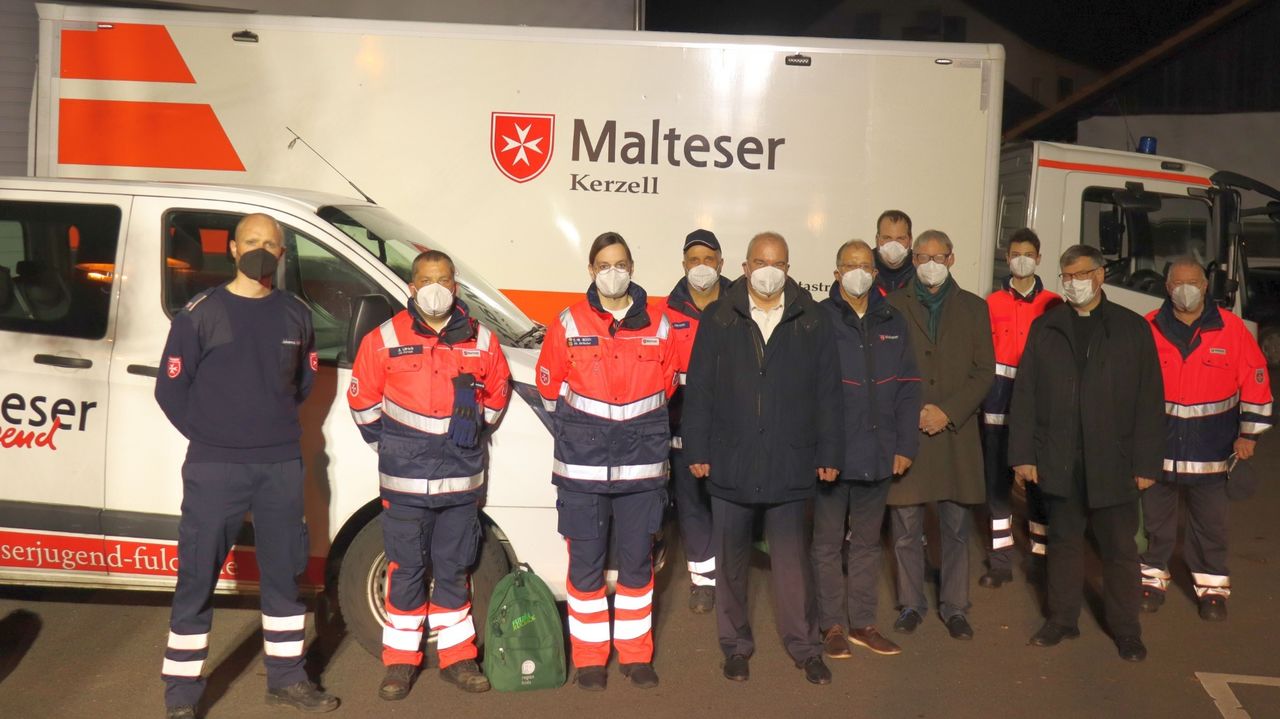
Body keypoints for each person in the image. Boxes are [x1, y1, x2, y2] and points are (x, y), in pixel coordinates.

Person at [154, 214, 338, 718]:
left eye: (271, 245)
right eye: (251, 242)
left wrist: (264, 431)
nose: (261, 250)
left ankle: (286, 678)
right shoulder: (200, 313)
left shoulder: (296, 315)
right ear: (233, 248)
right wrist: (215, 438)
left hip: (279, 464)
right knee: (197, 576)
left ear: (283, 255)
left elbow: (301, 385)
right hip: (215, 467)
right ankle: (182, 694)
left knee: (284, 574)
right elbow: (169, 389)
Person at [348, 250, 512, 699]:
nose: (435, 287)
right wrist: (396, 446)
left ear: (455, 287)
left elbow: (497, 395)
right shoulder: (382, 339)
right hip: (404, 483)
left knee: (455, 568)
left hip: (461, 482)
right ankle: (400, 663)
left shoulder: (481, 340)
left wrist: (475, 431)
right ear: (412, 286)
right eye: (426, 279)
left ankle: (458, 659)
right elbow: (363, 403)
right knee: (406, 568)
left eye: (443, 279)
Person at [683, 231, 842, 686]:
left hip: (789, 459)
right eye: (760, 262)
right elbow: (701, 392)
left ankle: (806, 647)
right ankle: (735, 647)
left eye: (778, 263)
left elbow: (828, 394)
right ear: (747, 266)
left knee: (792, 563)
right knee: (730, 563)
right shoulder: (719, 318)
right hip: (731, 457)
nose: (769, 271)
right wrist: (697, 447)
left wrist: (829, 451)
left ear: (788, 270)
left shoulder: (812, 320)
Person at [535, 232, 678, 691]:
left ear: (632, 267)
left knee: (637, 565)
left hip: (642, 470)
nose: (612, 272)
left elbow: (669, 384)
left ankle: (636, 656)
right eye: (603, 264)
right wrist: (586, 430)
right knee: (586, 566)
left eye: (620, 263)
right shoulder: (568, 322)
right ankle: (591, 659)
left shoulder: (659, 324)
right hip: (582, 470)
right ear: (592, 271)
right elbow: (549, 385)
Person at [1009, 244, 1164, 662]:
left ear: (1099, 276)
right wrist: (1023, 455)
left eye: (1079, 275)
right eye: (1066, 277)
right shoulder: (1049, 327)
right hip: (1059, 458)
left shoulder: (1131, 328)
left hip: (1113, 460)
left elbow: (1150, 399)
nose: (1072, 284)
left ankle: (1126, 630)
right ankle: (1061, 620)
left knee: (1118, 549)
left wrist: (1147, 462)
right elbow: (1025, 393)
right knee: (1062, 543)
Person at [1139, 257, 1272, 620]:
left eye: (1194, 282)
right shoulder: (1148, 327)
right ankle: (1151, 579)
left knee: (1210, 525)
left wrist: (1249, 433)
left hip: (1213, 452)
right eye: (1178, 283)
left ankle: (1212, 587)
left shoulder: (1231, 329)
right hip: (1159, 451)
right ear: (1168, 289)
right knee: (1156, 524)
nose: (1186, 289)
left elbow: (1257, 380)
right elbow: (1130, 386)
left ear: (1205, 285)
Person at [812, 240, 921, 660]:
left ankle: (862, 623)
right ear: (837, 272)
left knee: (867, 545)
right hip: (832, 458)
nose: (857, 272)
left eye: (864, 265)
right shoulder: (819, 320)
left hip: (879, 452)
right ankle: (831, 626)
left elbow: (910, 387)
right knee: (825, 544)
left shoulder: (893, 318)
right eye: (849, 265)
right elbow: (808, 393)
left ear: (875, 274)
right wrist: (821, 451)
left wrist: (905, 444)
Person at [885, 230, 994, 640]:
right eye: (923, 256)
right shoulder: (893, 306)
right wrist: (913, 411)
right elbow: (887, 369)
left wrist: (947, 411)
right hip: (909, 431)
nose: (931, 263)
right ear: (913, 259)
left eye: (939, 256)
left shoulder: (973, 308)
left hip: (955, 432)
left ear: (951, 259)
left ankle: (954, 606)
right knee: (906, 526)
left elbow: (984, 371)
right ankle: (911, 604)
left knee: (955, 527)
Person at [979, 229, 1061, 587]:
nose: (1022, 259)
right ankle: (1000, 560)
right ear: (1006, 257)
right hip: (997, 406)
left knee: (1038, 483)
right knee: (997, 485)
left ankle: (1042, 556)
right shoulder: (991, 303)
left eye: (1028, 253)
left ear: (1039, 258)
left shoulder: (1055, 304)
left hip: (1038, 412)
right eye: (1015, 253)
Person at [666, 228, 733, 613]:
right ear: (684, 265)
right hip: (682, 424)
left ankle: (729, 574)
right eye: (694, 260)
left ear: (721, 263)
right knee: (691, 502)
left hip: (730, 425)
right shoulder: (666, 311)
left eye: (709, 259)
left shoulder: (738, 303)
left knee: (726, 499)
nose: (702, 267)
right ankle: (703, 581)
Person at [873, 210, 915, 294]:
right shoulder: (864, 269)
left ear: (910, 240)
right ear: (877, 239)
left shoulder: (921, 269)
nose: (893, 245)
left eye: (900, 238)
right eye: (887, 238)